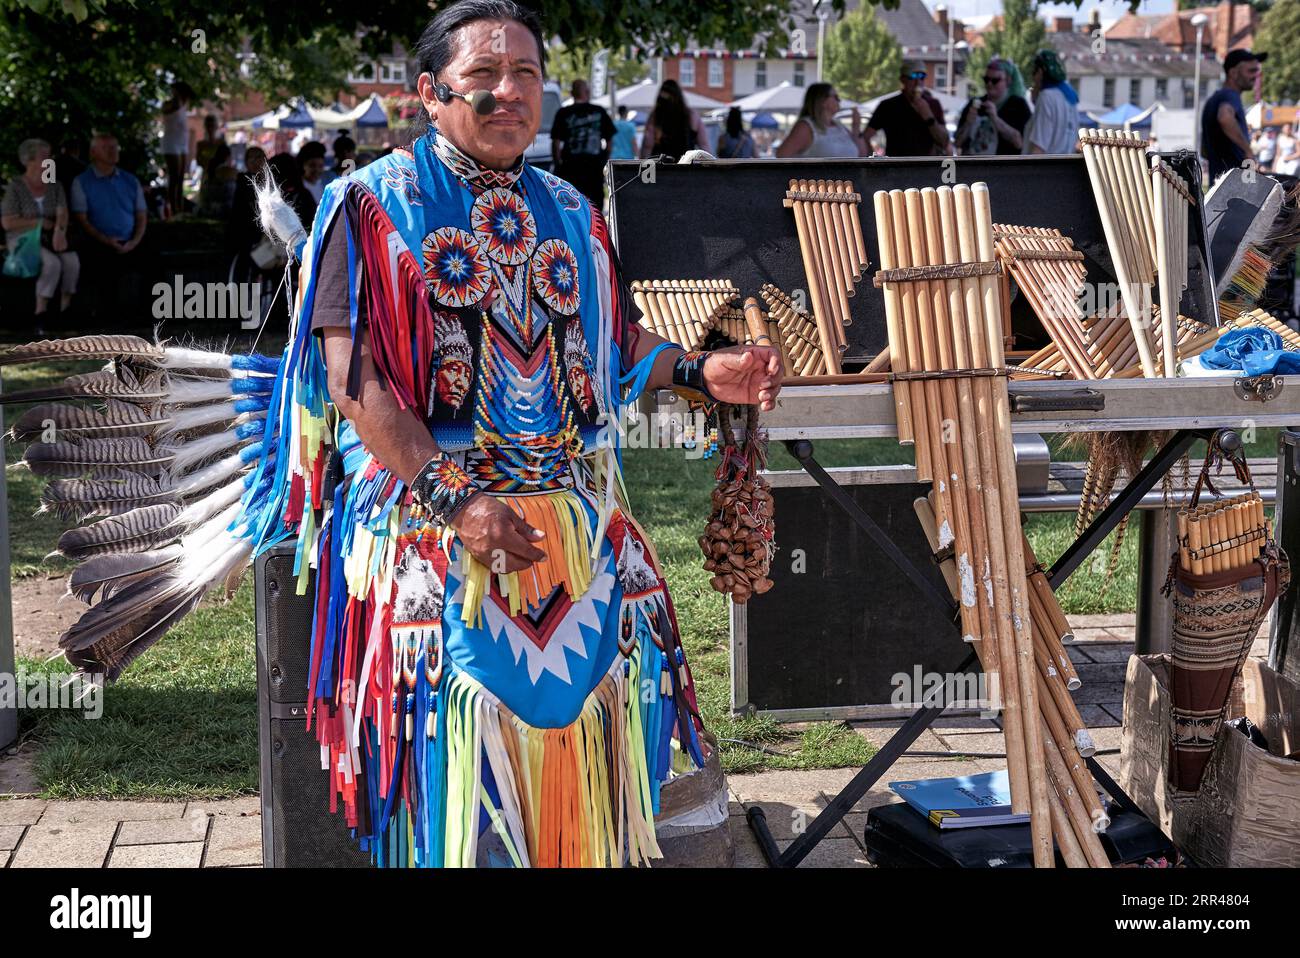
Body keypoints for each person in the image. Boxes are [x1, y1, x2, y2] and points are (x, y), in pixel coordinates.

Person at [293, 0, 781, 867]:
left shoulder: (570, 207)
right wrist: (458, 502)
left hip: (567, 505)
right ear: (430, 92)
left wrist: (703, 373)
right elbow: (353, 381)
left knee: (598, 722)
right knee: (461, 743)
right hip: (431, 506)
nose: (509, 92)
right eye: (483, 76)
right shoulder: (369, 206)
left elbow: (612, 340)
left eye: (525, 75)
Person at [69, 133, 147, 321]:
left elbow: (141, 215)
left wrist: (135, 241)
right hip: (99, 241)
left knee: (154, 263)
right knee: (101, 266)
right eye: (107, 148)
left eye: (115, 147)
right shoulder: (82, 182)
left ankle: (149, 316)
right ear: (93, 152)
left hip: (130, 240)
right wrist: (106, 240)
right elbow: (82, 219)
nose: (113, 152)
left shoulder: (130, 180)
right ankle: (108, 318)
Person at [2, 138, 79, 325]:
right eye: (45, 157)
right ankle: (41, 312)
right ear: (29, 161)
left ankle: (64, 309)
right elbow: (8, 223)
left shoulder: (54, 185)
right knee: (52, 263)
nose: (50, 160)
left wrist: (59, 231)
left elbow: (62, 212)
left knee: (71, 262)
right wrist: (39, 223)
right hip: (23, 239)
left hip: (50, 237)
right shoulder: (16, 187)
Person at [1202, 49, 1267, 182]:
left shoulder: (1214, 99)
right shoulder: (1230, 95)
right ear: (1233, 73)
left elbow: (1204, 150)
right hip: (1234, 188)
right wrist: (1248, 151)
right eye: (1251, 71)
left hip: (1221, 185)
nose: (1255, 75)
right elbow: (1225, 117)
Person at [549, 78, 616, 206]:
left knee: (572, 205)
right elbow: (610, 140)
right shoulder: (599, 111)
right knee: (595, 205)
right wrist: (603, 160)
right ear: (587, 92)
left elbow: (555, 143)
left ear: (572, 93)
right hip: (594, 167)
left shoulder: (563, 113)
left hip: (570, 167)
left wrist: (558, 165)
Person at [864, 62, 950, 157]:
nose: (918, 82)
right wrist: (873, 160)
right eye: (912, 77)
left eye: (922, 77)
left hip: (926, 166)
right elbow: (866, 135)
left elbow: (944, 142)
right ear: (902, 79)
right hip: (897, 166)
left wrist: (928, 116)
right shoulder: (888, 105)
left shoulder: (933, 104)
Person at [955, 57, 1031, 155]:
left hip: (1003, 168)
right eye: (986, 79)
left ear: (1008, 81)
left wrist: (996, 119)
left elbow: (1020, 143)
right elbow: (957, 143)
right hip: (974, 167)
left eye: (995, 80)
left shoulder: (1018, 105)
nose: (989, 84)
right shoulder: (974, 104)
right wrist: (968, 123)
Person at [776, 82, 868, 158]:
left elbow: (862, 156)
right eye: (836, 97)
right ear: (823, 101)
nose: (839, 101)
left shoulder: (839, 126)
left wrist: (856, 126)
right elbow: (781, 156)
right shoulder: (806, 127)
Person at [1022, 49, 1080, 155]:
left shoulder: (1046, 97)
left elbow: (1039, 147)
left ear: (1040, 72)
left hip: (1045, 168)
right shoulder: (1070, 95)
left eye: (1034, 72)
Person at [639, 79, 712, 160]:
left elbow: (647, 144)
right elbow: (703, 144)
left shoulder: (655, 116)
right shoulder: (691, 115)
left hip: (660, 167)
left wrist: (643, 164)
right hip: (686, 165)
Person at [161, 81, 194, 216]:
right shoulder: (169, 104)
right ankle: (172, 208)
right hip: (171, 143)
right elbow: (170, 108)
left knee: (180, 177)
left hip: (181, 143)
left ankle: (179, 207)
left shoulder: (183, 105)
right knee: (174, 176)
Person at [198, 142, 237, 217]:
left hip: (206, 207)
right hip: (221, 210)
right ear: (228, 157)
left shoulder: (209, 169)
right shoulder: (227, 171)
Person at [298, 140, 328, 205]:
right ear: (304, 165)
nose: (316, 170)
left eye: (320, 166)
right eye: (312, 165)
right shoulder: (298, 187)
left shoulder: (325, 185)